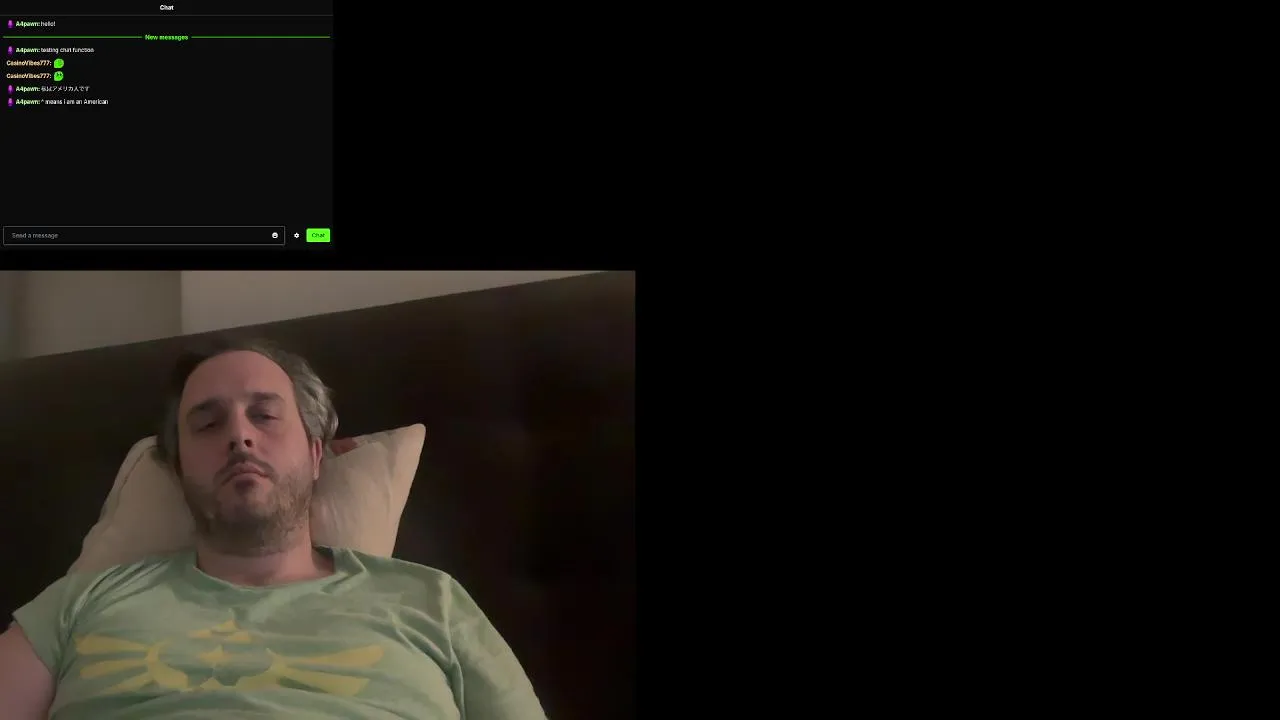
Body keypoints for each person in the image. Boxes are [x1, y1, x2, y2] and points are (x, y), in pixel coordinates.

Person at [0, 338, 547, 719]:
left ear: (315, 454)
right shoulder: (80, 605)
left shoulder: (431, 602)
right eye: (208, 423)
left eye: (264, 415)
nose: (239, 436)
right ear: (179, 467)